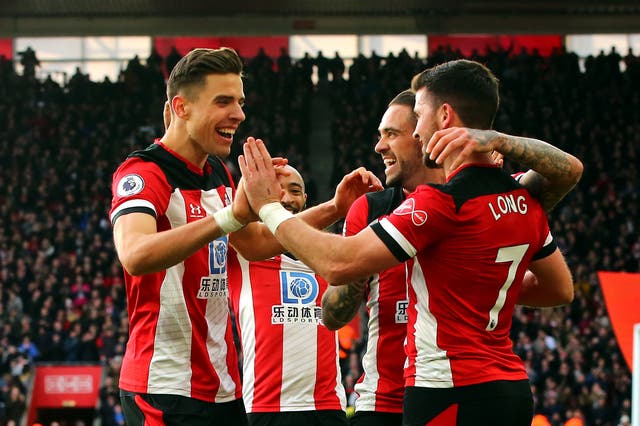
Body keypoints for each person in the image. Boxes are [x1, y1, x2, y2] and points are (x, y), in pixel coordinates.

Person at [237, 59, 577, 426]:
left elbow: (337, 262)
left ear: (443, 117)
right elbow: (568, 183)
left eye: (411, 122)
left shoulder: (442, 202)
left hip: (443, 388)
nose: (392, 141)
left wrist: (269, 207)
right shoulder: (517, 198)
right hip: (490, 387)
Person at [110, 47, 381, 426]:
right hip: (165, 385)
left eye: (239, 101)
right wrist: (230, 216)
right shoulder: (144, 172)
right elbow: (134, 253)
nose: (238, 114)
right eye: (223, 101)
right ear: (182, 107)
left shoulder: (218, 173)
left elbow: (253, 243)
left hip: (223, 386)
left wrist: (334, 208)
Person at [321, 89, 583, 426]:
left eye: (391, 134)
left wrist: (476, 287)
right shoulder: (370, 208)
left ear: (424, 138)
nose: (379, 146)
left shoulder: (485, 199)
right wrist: (360, 266)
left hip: (454, 389)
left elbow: (567, 170)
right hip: (382, 403)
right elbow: (332, 316)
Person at [228, 164, 348, 426]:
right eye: (274, 190)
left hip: (327, 407)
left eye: (294, 191)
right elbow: (234, 219)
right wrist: (249, 184)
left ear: (305, 199)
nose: (285, 198)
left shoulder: (329, 255)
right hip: (264, 408)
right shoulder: (243, 253)